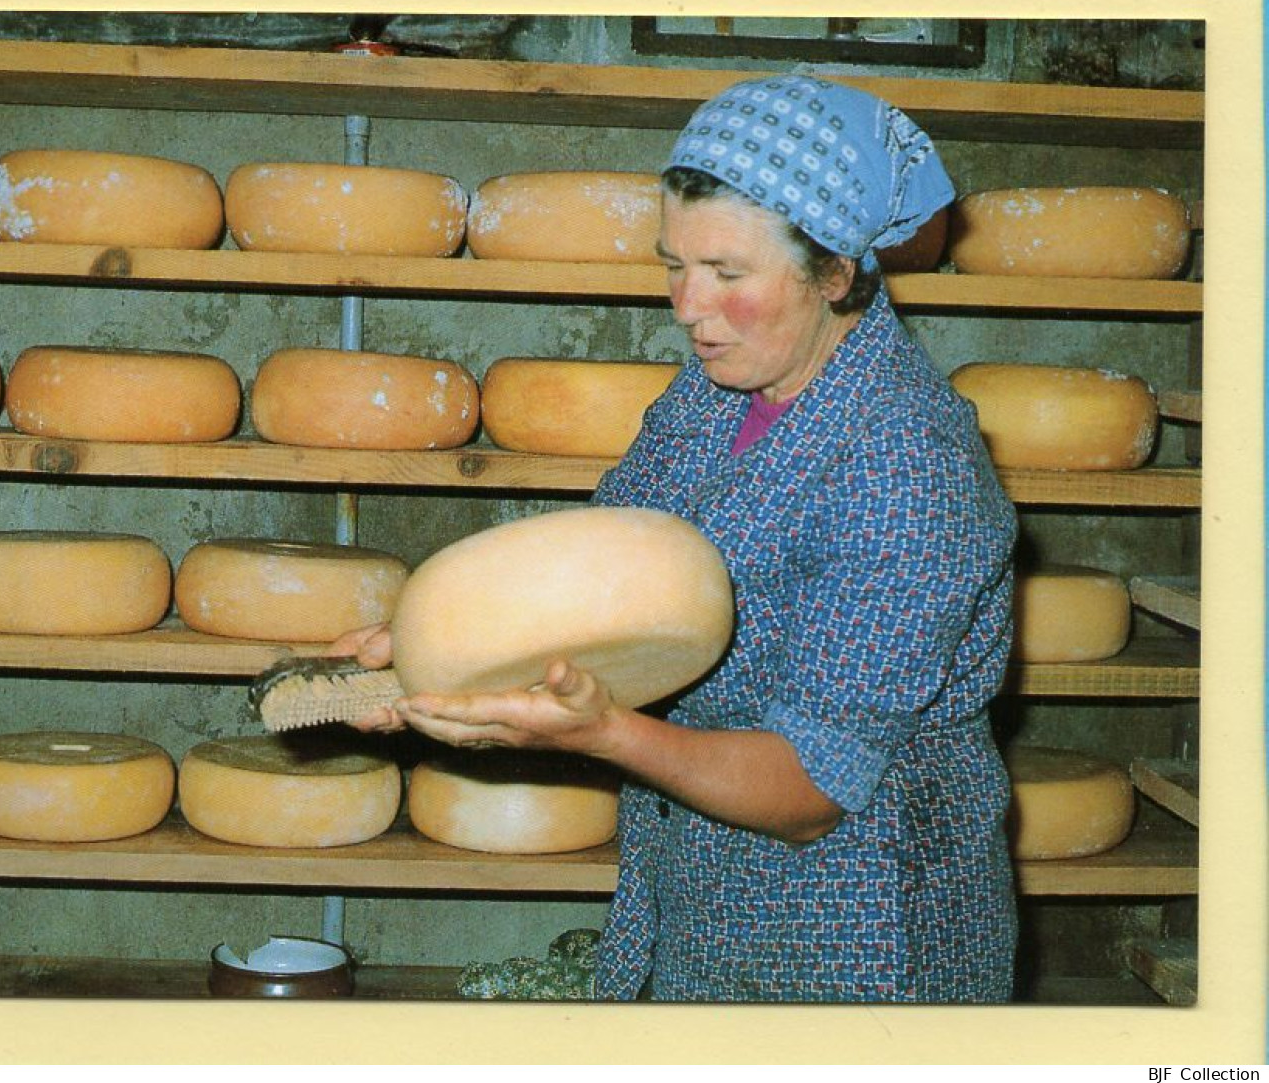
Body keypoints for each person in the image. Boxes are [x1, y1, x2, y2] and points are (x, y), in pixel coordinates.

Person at [333, 75, 1019, 1003]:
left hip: (857, 923)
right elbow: (598, 572)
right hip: (699, 883)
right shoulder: (717, 387)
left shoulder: (908, 471)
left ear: (835, 272)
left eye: (729, 275)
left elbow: (812, 788)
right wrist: (417, 652)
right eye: (674, 264)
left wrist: (605, 733)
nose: (688, 308)